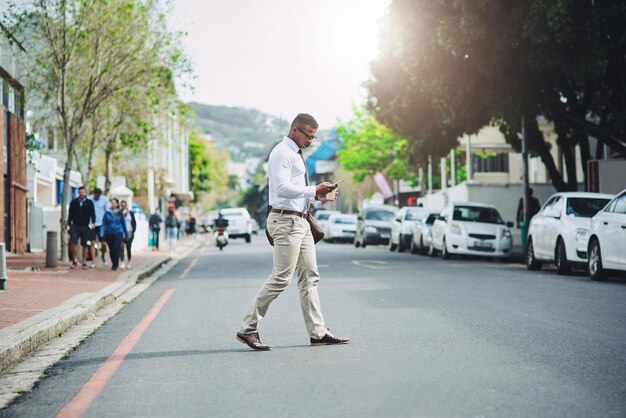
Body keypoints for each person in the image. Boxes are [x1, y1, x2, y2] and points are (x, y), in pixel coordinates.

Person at [236, 113, 349, 351]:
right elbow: (280, 188)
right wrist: (312, 190)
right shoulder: (282, 153)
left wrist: (319, 194)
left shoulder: (296, 154)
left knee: (310, 276)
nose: (311, 141)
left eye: (314, 137)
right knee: (281, 278)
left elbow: (297, 190)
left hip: (301, 221)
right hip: (285, 222)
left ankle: (318, 332)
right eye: (308, 136)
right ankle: (248, 328)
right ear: (295, 130)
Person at [68, 186, 97, 269]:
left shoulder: (89, 203)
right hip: (75, 225)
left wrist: (93, 223)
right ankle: (75, 260)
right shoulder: (74, 202)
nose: (81, 194)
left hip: (85, 225)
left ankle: (84, 261)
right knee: (72, 242)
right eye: (80, 192)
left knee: (85, 244)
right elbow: (70, 213)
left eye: (83, 192)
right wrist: (69, 224)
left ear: (85, 193)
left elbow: (93, 214)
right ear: (78, 193)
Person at [102, 198, 128, 271]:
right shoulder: (107, 212)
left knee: (116, 247)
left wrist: (126, 234)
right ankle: (114, 263)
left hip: (118, 232)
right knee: (111, 249)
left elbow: (124, 224)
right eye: (112, 203)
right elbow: (103, 223)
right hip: (109, 233)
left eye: (114, 203)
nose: (113, 204)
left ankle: (116, 264)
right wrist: (102, 232)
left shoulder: (120, 213)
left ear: (117, 204)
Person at [88, 188, 110, 265]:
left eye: (98, 195)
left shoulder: (104, 200)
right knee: (92, 243)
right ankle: (93, 261)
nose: (97, 197)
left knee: (104, 243)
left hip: (101, 225)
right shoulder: (89, 199)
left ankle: (103, 255)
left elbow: (107, 211)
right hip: (92, 224)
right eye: (95, 195)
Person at [119, 200, 136, 269]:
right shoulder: (119, 213)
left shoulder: (130, 213)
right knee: (121, 247)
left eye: (124, 205)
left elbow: (134, 223)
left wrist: (133, 231)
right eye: (122, 205)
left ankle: (129, 261)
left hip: (129, 232)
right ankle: (122, 261)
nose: (123, 206)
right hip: (122, 233)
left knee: (128, 247)